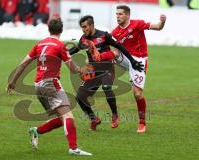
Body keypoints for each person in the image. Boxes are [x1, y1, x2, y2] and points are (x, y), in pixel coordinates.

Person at [7, 17, 92, 156]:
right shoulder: (60, 46)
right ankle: (73, 148)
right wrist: (82, 70)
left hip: (38, 86)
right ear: (62, 30)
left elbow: (23, 63)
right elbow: (72, 68)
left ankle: (37, 131)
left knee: (60, 118)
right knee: (68, 115)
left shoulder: (39, 44)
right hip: (50, 83)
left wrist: (13, 81)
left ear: (49, 29)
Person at [69, 15, 144, 131]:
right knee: (80, 97)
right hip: (92, 70)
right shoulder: (83, 39)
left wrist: (133, 61)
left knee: (106, 87)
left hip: (107, 68)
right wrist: (60, 52)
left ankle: (115, 115)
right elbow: (75, 49)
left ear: (92, 25)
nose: (83, 30)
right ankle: (94, 119)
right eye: (82, 27)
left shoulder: (104, 35)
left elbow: (120, 46)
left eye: (85, 27)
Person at [110, 5, 166, 133]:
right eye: (117, 14)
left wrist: (162, 21)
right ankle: (107, 76)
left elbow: (158, 27)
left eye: (120, 14)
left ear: (128, 15)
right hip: (126, 59)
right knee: (110, 54)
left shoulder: (138, 24)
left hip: (139, 60)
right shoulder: (115, 32)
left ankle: (142, 122)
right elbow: (110, 48)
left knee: (137, 94)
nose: (117, 16)